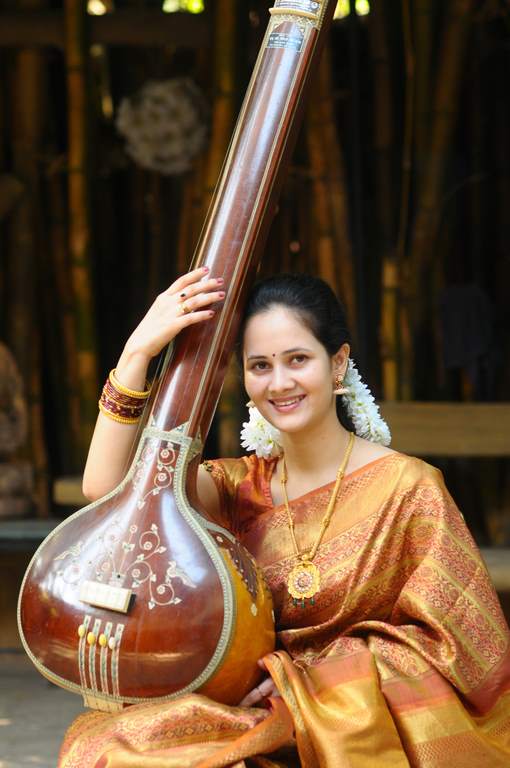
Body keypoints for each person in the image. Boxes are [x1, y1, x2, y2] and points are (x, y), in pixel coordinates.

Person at [59, 269, 510, 767]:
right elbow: (108, 488)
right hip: (245, 714)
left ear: (337, 362)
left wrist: (307, 687)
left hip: (355, 729)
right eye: (259, 365)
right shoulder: (236, 487)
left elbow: (460, 650)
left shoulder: (409, 489)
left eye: (297, 359)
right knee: (104, 746)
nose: (279, 383)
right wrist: (136, 354)